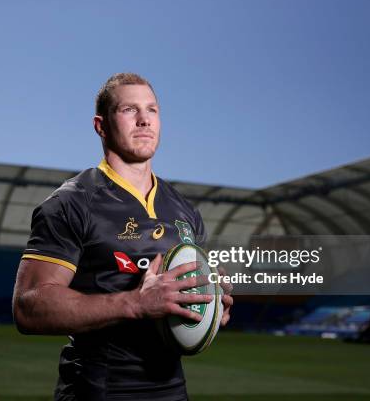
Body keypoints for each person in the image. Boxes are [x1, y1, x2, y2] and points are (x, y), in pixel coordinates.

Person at [12, 73, 233, 400]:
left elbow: (178, 319)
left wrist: (207, 308)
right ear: (100, 126)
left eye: (152, 110)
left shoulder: (185, 211)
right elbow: (28, 307)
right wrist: (135, 303)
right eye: (130, 109)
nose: (145, 120)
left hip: (172, 392)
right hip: (98, 391)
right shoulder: (72, 203)